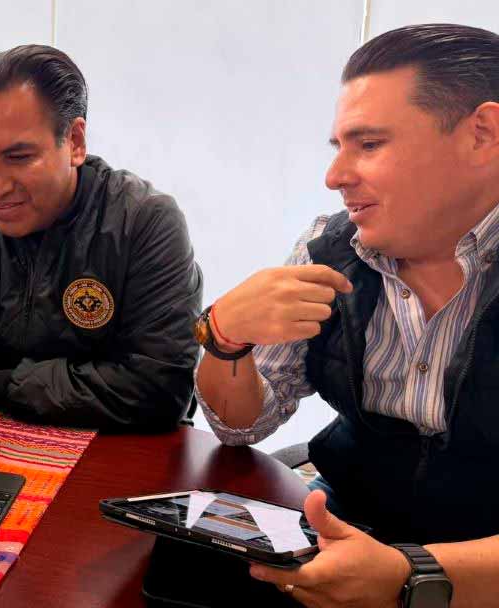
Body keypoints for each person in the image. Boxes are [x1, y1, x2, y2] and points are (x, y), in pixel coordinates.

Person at [194, 24, 499, 607]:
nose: (334, 177)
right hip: (348, 525)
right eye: (338, 146)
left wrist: (408, 575)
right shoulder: (331, 250)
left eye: (370, 144)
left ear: (481, 133)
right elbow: (240, 427)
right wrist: (223, 336)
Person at [0, 45, 202, 429]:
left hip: (127, 451)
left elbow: (160, 388)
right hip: (2, 445)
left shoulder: (145, 223)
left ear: (75, 142)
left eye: (18, 157)